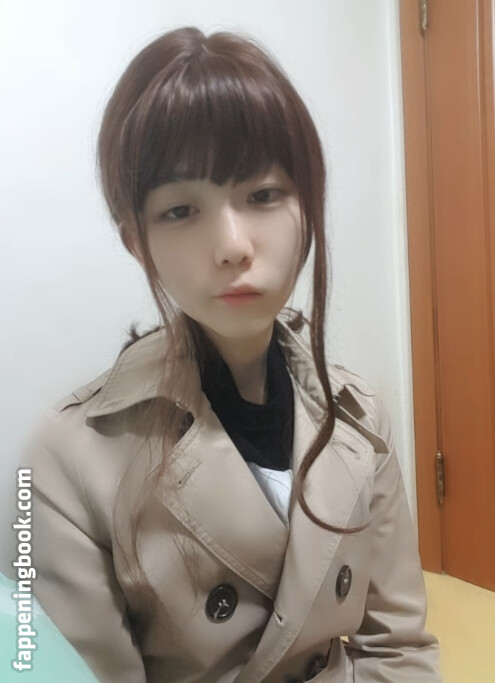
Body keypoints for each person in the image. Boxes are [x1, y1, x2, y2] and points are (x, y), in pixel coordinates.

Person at [23, 26, 442, 683]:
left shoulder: (360, 417)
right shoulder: (66, 460)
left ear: (309, 206)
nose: (232, 245)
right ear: (137, 242)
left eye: (263, 195)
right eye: (181, 210)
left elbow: (399, 650)